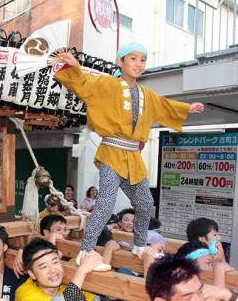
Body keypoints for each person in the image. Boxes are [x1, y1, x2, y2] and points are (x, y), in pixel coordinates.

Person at [56, 43, 204, 260]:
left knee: (145, 202)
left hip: (133, 157)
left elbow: (164, 105)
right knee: (106, 203)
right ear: (120, 61)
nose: (139, 64)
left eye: (143, 60)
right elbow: (85, 84)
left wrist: (187, 108)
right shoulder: (108, 84)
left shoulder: (145, 93)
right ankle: (86, 250)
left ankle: (140, 244)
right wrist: (75, 67)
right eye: (133, 58)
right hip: (112, 152)